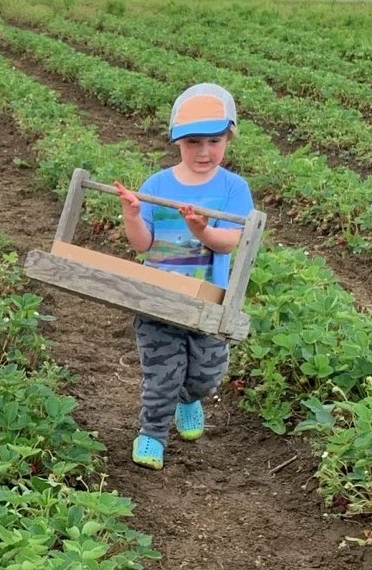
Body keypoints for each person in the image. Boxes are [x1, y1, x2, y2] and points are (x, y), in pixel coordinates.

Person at [113, 84, 252, 472]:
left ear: (229, 137)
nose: (204, 152)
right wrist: (132, 215)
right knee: (161, 375)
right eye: (193, 142)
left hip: (208, 301)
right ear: (177, 142)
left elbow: (229, 242)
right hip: (157, 301)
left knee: (208, 374)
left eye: (214, 140)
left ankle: (188, 400)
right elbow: (143, 245)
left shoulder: (233, 189)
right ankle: (151, 434)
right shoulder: (158, 185)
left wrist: (203, 231)